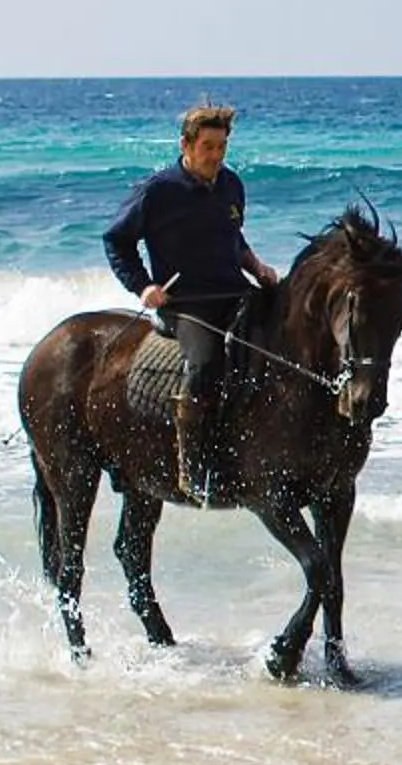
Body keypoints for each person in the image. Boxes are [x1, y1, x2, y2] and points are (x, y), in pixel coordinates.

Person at [103, 101, 280, 503]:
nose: (216, 156)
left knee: (280, 338)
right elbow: (116, 240)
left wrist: (256, 266)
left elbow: (233, 238)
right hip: (186, 303)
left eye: (222, 147)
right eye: (207, 147)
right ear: (186, 145)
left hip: (233, 290)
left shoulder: (231, 184)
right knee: (205, 363)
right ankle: (193, 467)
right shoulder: (157, 190)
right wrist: (143, 287)